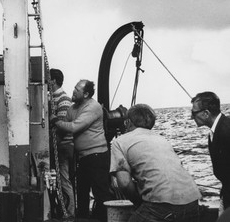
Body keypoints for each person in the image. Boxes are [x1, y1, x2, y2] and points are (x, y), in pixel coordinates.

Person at [110, 103, 201, 221]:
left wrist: (138, 204)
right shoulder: (161, 139)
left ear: (128, 122)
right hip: (192, 201)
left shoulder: (120, 142)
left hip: (161, 206)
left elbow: (125, 183)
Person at [51, 79, 111, 221]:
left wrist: (54, 121)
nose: (73, 91)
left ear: (86, 94)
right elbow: (63, 130)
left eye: (77, 90)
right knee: (82, 193)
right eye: (74, 88)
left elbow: (73, 127)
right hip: (83, 158)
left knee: (100, 193)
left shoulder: (93, 107)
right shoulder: (72, 109)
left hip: (98, 156)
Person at [191, 91, 230, 215]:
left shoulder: (226, 130)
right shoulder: (215, 131)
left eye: (194, 113)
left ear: (206, 113)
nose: (192, 117)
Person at [49, 68, 75, 218]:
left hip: (63, 145)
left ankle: (70, 213)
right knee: (60, 180)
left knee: (64, 180)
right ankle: (64, 210)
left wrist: (54, 145)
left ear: (53, 81)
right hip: (59, 145)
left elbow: (63, 126)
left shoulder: (63, 99)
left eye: (48, 79)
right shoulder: (54, 98)